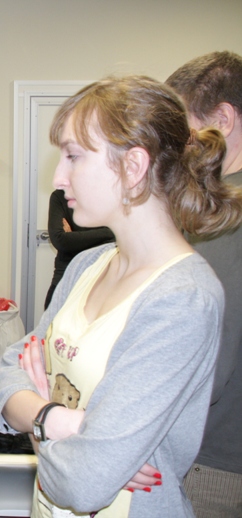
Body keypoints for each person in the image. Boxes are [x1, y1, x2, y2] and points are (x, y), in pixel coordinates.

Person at [0, 76, 242, 517]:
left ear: (133, 166)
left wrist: (38, 416)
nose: (58, 177)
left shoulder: (182, 298)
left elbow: (82, 482)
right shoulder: (88, 265)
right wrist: (63, 422)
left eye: (73, 156)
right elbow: (10, 367)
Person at [166, 51, 242, 518]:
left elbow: (210, 360)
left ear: (223, 120)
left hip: (214, 459)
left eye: (185, 129)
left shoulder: (226, 218)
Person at [44, 188, 114, 309]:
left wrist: (73, 238)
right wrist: (109, 232)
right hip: (65, 277)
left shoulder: (109, 195)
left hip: (98, 278)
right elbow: (60, 240)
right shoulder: (60, 196)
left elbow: (122, 234)